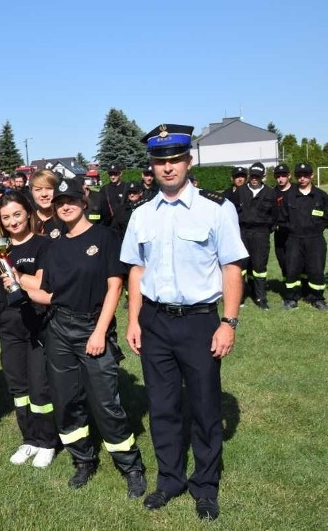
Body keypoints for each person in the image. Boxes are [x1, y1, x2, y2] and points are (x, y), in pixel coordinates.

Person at [121, 124, 247, 521]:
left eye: (175, 159)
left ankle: (205, 486)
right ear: (152, 166)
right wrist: (134, 320)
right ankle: (170, 480)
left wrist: (228, 322)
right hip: (154, 320)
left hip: (199, 323)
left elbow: (232, 269)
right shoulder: (141, 213)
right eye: (160, 161)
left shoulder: (217, 208)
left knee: (206, 406)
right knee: (162, 405)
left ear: (188, 161)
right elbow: (137, 270)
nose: (168, 167)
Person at [12, 177, 146, 496]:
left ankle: (130, 466)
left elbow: (115, 287)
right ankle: (83, 460)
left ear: (84, 202)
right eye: (59, 202)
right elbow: (49, 292)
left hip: (92, 327)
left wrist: (100, 331)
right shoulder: (53, 243)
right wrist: (13, 277)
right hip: (59, 328)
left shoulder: (105, 237)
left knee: (105, 402)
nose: (65, 206)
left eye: (71, 200)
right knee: (66, 401)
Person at [0, 191, 59, 468]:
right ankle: (29, 439)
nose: (12, 221)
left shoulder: (44, 246)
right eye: (6, 217)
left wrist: (15, 274)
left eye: (17, 214)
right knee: (17, 386)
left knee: (40, 387)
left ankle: (47, 441)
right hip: (9, 325)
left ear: (28, 213)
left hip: (38, 325)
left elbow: (43, 285)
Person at [279, 162, 328, 311]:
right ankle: (291, 298)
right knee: (292, 269)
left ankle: (317, 298)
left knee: (316, 270)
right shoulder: (289, 196)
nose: (302, 178)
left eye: (305, 175)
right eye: (299, 175)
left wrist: (317, 228)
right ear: (295, 177)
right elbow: (282, 219)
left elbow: (327, 217)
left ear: (311, 175)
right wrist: (292, 229)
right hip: (294, 239)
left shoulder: (321, 195)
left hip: (315, 239)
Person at [236, 162, 278, 309]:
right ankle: (239, 297)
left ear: (263, 177)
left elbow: (274, 216)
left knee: (259, 267)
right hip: (243, 233)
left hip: (261, 233)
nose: (254, 179)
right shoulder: (240, 191)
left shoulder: (270, 193)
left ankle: (261, 298)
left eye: (257, 177)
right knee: (241, 267)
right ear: (249, 175)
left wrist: (265, 229)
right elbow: (233, 212)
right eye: (252, 176)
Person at [272, 163, 293, 278]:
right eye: (278, 176)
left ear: (289, 175)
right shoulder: (272, 193)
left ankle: (298, 285)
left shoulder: (296, 190)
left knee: (295, 259)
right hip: (279, 232)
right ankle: (288, 283)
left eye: (283, 175)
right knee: (282, 259)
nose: (280, 179)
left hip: (294, 232)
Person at [30, 169, 63, 238]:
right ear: (31, 192)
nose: (44, 194)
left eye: (49, 188)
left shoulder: (65, 219)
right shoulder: (27, 221)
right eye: (38, 189)